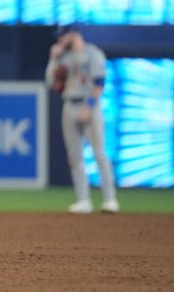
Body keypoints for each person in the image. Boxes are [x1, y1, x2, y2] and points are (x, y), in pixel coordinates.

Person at [45, 25, 119, 214]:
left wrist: (90, 105)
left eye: (63, 36)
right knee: (74, 156)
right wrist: (53, 59)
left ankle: (110, 200)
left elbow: (100, 82)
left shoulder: (93, 53)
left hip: (90, 106)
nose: (60, 40)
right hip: (69, 104)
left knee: (99, 153)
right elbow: (51, 83)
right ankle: (83, 200)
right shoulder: (64, 57)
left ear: (73, 34)